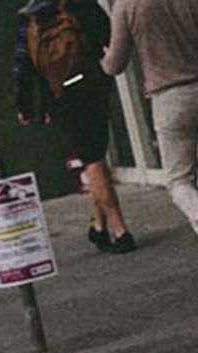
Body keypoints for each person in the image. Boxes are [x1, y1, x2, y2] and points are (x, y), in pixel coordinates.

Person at [15, 0, 138, 252]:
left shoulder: (29, 21)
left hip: (61, 97)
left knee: (92, 160)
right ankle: (99, 227)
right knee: (95, 157)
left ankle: (120, 230)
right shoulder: (80, 5)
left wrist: (24, 107)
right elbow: (109, 34)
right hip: (93, 86)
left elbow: (22, 69)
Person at [102, 0, 198, 238]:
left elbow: (115, 65)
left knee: (179, 181)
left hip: (169, 98)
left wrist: (104, 59)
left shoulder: (126, 6)